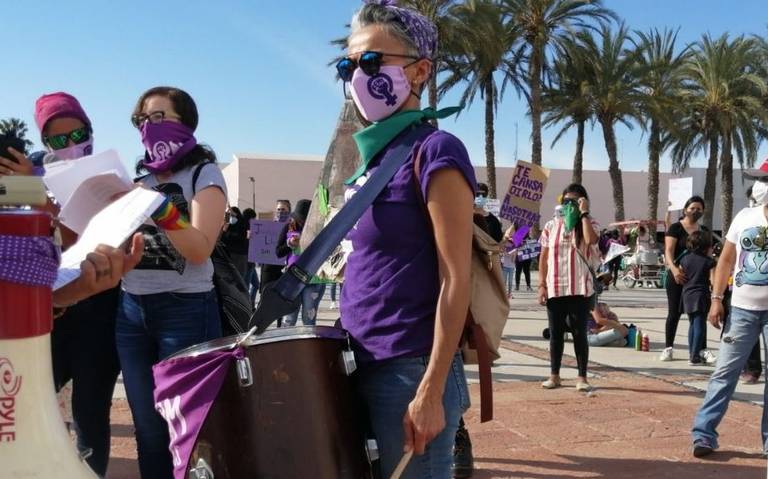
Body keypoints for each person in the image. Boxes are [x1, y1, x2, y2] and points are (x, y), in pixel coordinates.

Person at [336, 2, 474, 477]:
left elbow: (456, 278)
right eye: (347, 65)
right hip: (360, 359)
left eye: (372, 62)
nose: (357, 75)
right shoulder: (374, 158)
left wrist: (431, 389)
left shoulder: (436, 150)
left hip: (408, 368)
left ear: (419, 71)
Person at [0, 92, 121, 477]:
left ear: (90, 130)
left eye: (77, 134)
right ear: (42, 141)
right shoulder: (29, 170)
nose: (69, 146)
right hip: (44, 308)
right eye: (56, 139)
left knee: (90, 411)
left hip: (98, 306)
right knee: (27, 401)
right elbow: (14, 226)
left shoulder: (108, 175)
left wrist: (39, 196)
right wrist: (20, 185)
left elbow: (88, 238)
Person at [119, 86, 227, 478]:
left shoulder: (204, 174)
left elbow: (199, 248)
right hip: (131, 312)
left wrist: (161, 209)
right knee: (147, 427)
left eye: (158, 117)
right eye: (142, 120)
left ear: (186, 122)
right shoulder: (139, 179)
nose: (148, 127)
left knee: (188, 427)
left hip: (186, 310)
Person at [691, 163, 768, 457]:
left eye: (766, 180)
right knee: (724, 373)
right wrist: (716, 298)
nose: (761, 186)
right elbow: (724, 261)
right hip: (742, 310)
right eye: (760, 181)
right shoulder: (744, 217)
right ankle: (704, 434)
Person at [538, 183, 600, 392]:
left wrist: (584, 214)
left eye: (573, 201)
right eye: (565, 201)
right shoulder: (551, 225)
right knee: (556, 333)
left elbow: (591, 240)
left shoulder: (589, 223)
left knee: (578, 332)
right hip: (555, 285)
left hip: (579, 287)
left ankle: (582, 376)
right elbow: (544, 257)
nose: (568, 205)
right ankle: (554, 375)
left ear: (583, 201)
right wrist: (541, 285)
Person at [660, 196, 710, 362]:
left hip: (696, 280)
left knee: (698, 315)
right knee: (674, 313)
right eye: (692, 208)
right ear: (685, 210)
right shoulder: (675, 228)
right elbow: (668, 251)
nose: (696, 211)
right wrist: (674, 270)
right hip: (677, 276)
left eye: (699, 209)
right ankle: (668, 348)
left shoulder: (703, 230)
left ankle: (699, 351)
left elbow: (708, 255)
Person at [282, 199, 326, 327]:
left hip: (314, 280)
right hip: (293, 279)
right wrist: (289, 244)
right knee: (289, 319)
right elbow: (278, 251)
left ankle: (307, 345)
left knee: (309, 319)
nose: (302, 221)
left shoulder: (320, 229)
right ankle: (286, 344)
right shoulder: (289, 227)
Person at [680, 231, 717, 366]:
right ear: (705, 246)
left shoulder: (684, 259)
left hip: (687, 294)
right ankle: (695, 356)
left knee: (692, 324)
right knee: (700, 324)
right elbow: (713, 281)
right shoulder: (709, 262)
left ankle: (692, 353)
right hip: (701, 294)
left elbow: (680, 277)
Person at [221, 206, 250, 280]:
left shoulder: (242, 225)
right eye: (229, 215)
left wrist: (236, 215)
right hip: (228, 256)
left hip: (240, 257)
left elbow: (245, 224)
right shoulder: (227, 226)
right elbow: (222, 238)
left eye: (233, 215)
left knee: (239, 280)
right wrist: (227, 217)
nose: (231, 217)